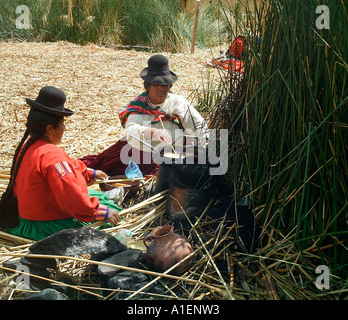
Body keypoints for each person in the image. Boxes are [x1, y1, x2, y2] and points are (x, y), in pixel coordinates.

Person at [4, 86, 120, 241]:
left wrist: (89, 173)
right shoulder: (53, 156)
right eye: (63, 124)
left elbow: (67, 169)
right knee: (111, 210)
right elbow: (73, 199)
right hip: (43, 226)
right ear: (50, 128)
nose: (65, 128)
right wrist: (101, 214)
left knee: (98, 197)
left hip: (28, 217)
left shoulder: (29, 146)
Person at [80, 54, 208, 176]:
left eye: (165, 85)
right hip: (142, 151)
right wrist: (151, 131)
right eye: (156, 84)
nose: (161, 89)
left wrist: (198, 147)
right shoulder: (139, 105)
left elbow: (199, 125)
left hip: (174, 152)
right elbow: (131, 128)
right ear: (147, 86)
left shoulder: (178, 102)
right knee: (108, 167)